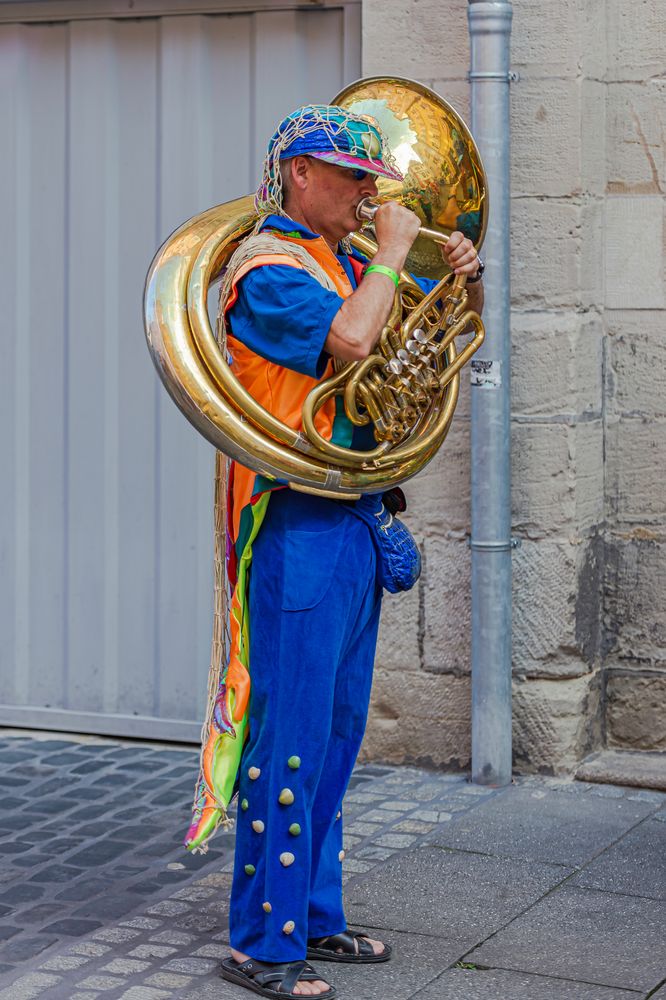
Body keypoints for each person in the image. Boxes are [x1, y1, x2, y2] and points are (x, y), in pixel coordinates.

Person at [210, 105, 483, 999]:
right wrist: (402, 256)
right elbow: (355, 342)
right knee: (286, 740)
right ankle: (262, 941)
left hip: (355, 515)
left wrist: (463, 286)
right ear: (298, 174)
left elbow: (415, 354)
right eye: (351, 175)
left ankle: (312, 918)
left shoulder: (348, 261)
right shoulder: (268, 268)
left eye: (372, 178)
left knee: (334, 738)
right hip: (295, 523)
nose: (371, 192)